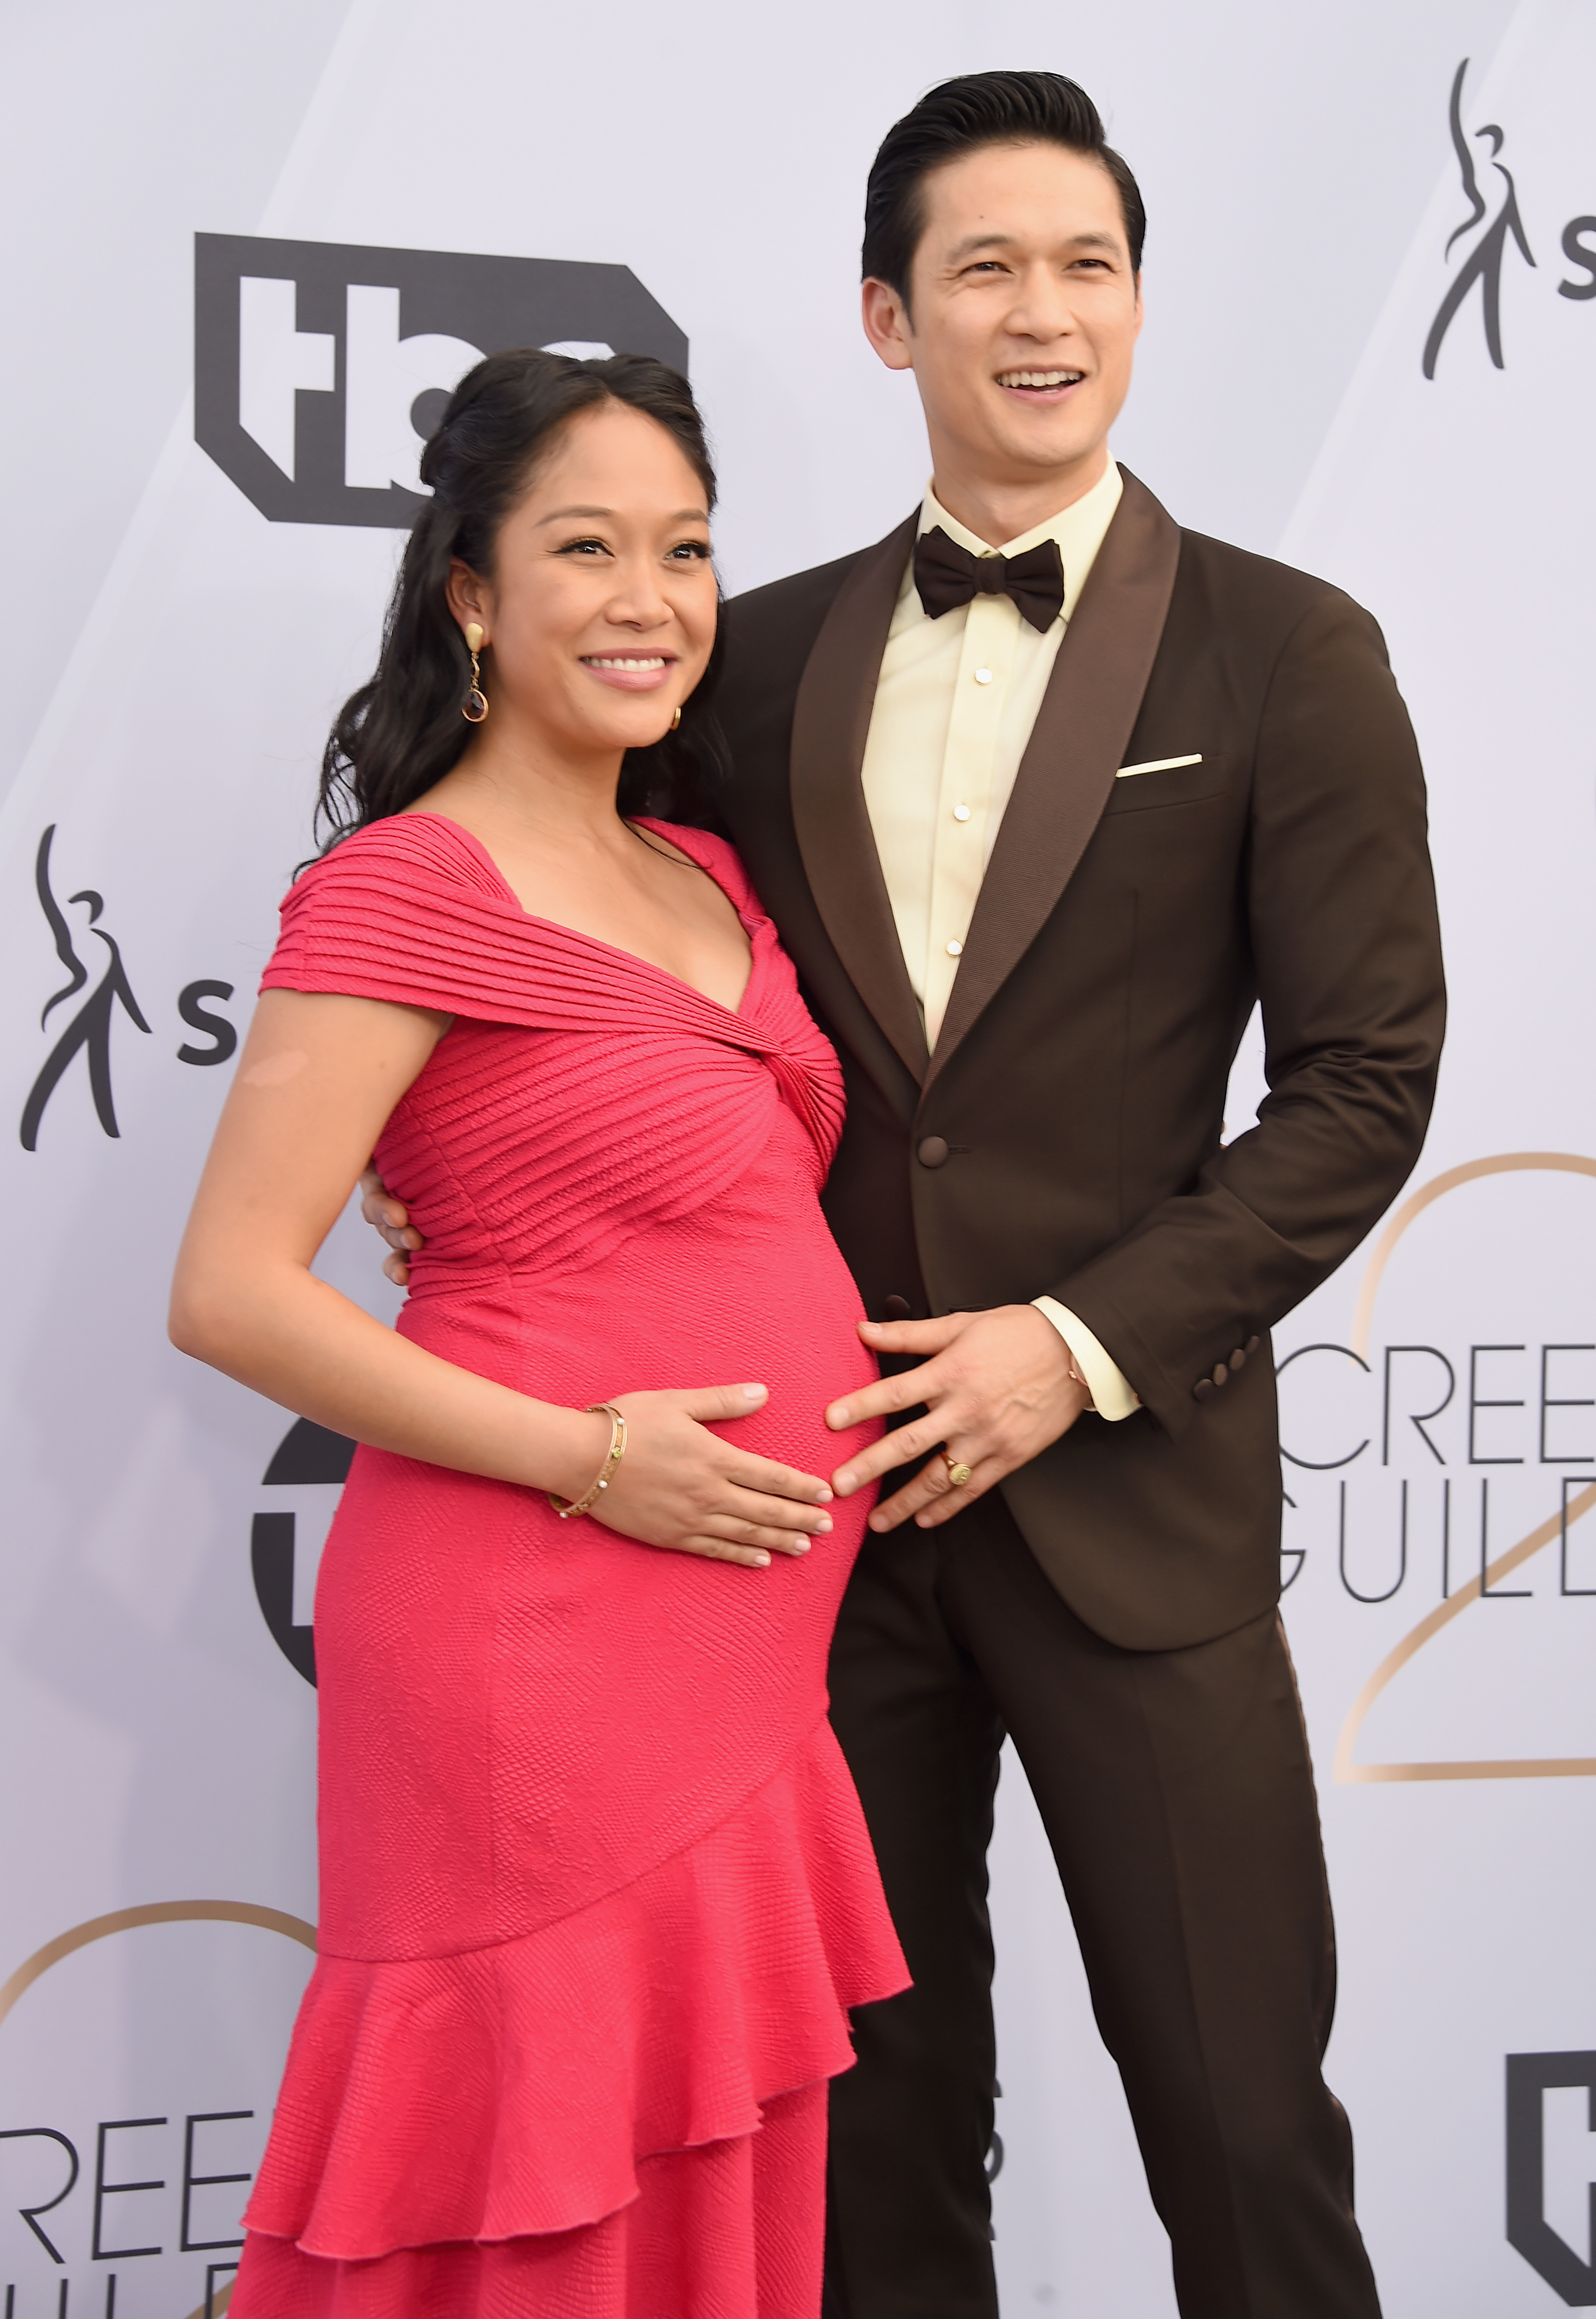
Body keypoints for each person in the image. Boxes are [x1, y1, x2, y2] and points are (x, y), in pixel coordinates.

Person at [366, 73, 1446, 2319]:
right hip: (797, 1528)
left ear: (1139, 307)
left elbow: (1363, 1084)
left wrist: (1074, 1349)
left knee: (1244, 2125)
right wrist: (438, 1156)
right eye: (985, 269)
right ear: (888, 318)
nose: (1041, 315)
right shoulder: (738, 655)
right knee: (863, 2143)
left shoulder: (1288, 650)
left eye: (1088, 267)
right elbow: (575, 929)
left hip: (1131, 1499)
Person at [170, 348, 907, 2319]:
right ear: (471, 593)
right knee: (522, 2196)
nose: (651, 597)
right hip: (534, 1625)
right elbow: (232, 1286)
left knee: (681, 2184)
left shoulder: (709, 869)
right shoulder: (406, 881)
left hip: (741, 1667)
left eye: (684, 548)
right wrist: (594, 1452)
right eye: (586, 547)